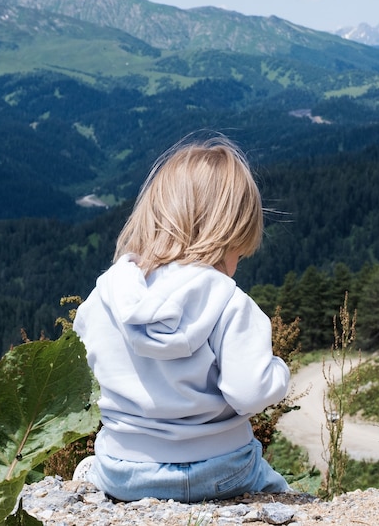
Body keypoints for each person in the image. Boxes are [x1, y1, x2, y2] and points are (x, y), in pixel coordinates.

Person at [72, 135, 291, 502]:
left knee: (96, 467)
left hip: (124, 469)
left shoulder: (104, 297)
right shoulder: (230, 302)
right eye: (239, 250)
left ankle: (93, 474)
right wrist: (279, 373)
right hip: (224, 468)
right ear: (227, 235)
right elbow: (250, 392)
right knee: (282, 494)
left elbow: (86, 374)